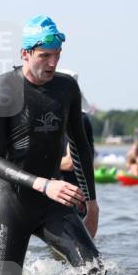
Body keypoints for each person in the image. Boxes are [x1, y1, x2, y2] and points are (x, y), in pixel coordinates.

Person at [0, 15, 104, 275]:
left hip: (52, 204)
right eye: (44, 56)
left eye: (57, 56)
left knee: (95, 272)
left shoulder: (66, 89)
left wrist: (92, 203)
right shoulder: (1, 90)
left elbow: (81, 147)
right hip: (12, 205)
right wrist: (45, 184)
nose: (52, 63)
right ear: (25, 54)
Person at [56, 70, 95, 229]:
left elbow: (71, 163)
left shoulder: (78, 120)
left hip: (73, 197)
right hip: (61, 194)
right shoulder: (55, 120)